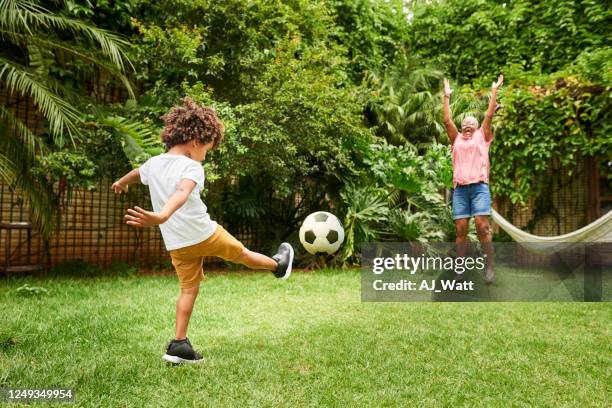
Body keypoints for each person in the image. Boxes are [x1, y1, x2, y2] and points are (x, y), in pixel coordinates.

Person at [111, 97, 294, 364]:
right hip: (204, 234)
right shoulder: (192, 166)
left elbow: (138, 172)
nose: (206, 155)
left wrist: (121, 182)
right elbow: (183, 192)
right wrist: (161, 215)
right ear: (195, 142)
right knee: (242, 254)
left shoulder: (154, 163)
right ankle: (278, 266)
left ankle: (179, 344)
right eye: (207, 149)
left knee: (188, 290)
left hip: (178, 245)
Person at [442, 75, 503, 283]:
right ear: (461, 127)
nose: (468, 125)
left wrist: (494, 92)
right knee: (460, 230)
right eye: (465, 123)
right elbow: (446, 120)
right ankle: (460, 269)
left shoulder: (482, 137)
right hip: (460, 190)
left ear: (477, 127)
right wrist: (446, 97)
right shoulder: (456, 139)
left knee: (482, 226)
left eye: (471, 123)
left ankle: (490, 267)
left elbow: (488, 115)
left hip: (479, 189)